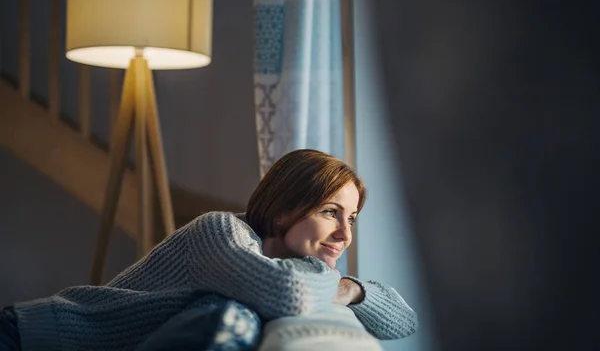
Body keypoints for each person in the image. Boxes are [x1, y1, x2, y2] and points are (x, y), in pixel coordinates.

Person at [0, 149, 417, 350]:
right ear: (284, 209)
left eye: (353, 217)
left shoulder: (290, 264)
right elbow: (288, 295)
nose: (345, 234)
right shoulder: (219, 231)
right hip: (32, 336)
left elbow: (404, 319)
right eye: (331, 212)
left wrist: (352, 289)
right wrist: (332, 280)